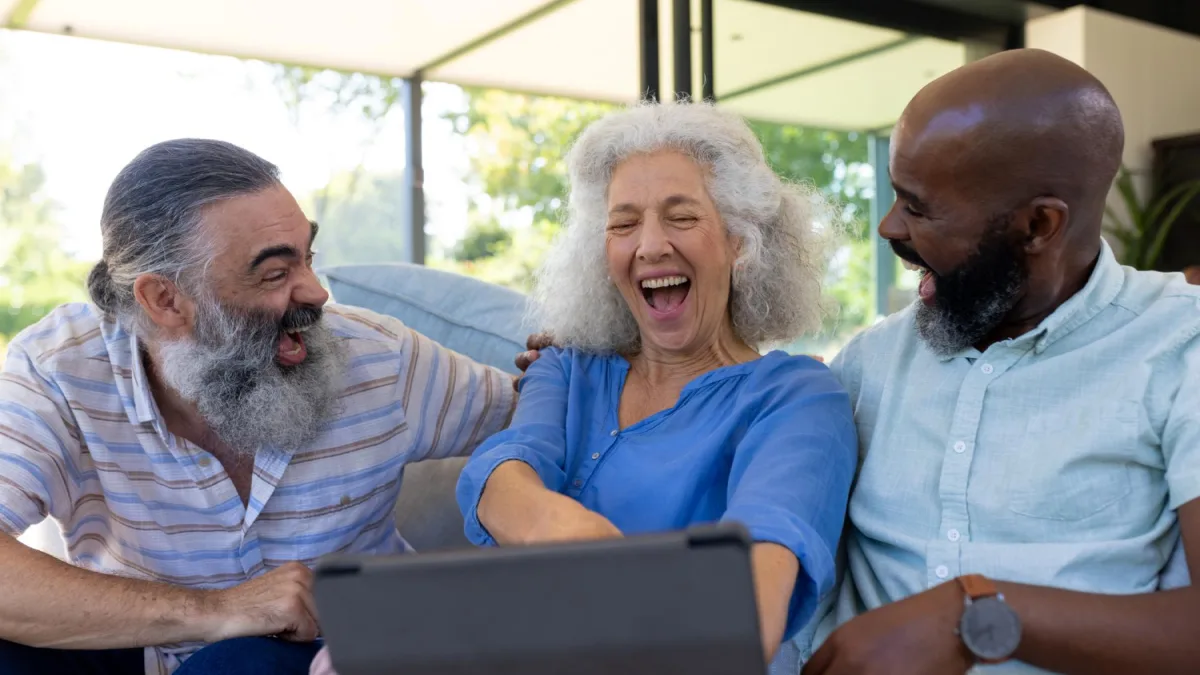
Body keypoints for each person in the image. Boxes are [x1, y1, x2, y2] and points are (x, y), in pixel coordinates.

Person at [0, 139, 515, 675]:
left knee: (240, 662)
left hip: (319, 655)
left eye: (307, 258)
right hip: (136, 647)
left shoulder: (379, 357)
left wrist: (553, 372)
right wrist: (217, 611)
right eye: (275, 273)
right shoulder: (59, 368)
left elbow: (539, 421)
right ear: (165, 300)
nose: (316, 293)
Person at [796, 49, 1199, 674]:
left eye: (918, 207)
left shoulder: (1180, 344)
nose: (889, 227)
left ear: (1038, 225)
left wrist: (972, 616)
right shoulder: (869, 364)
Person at [453, 103, 858, 668]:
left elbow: (749, 610)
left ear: (740, 240)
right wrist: (561, 528)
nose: (649, 245)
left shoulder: (796, 397)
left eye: (682, 217)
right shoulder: (567, 367)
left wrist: (602, 572)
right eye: (623, 225)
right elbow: (503, 475)